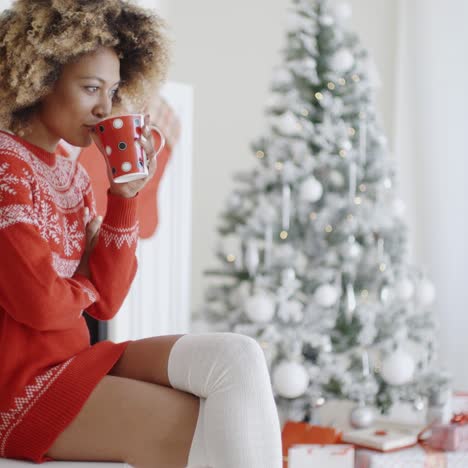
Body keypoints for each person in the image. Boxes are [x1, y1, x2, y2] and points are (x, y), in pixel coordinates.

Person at [0, 1, 282, 467]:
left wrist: (125, 195)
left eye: (112, 91)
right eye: (90, 88)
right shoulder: (6, 165)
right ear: (41, 77)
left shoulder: (72, 179)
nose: (104, 109)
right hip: (22, 388)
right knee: (203, 425)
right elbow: (38, 301)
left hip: (74, 362)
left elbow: (108, 301)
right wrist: (84, 285)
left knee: (238, 355)